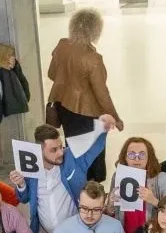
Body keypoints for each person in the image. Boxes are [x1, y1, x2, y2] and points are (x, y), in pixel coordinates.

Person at [8, 124, 112, 233]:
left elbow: (95, 147)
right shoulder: (29, 167)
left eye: (60, 146)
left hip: (76, 232)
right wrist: (20, 184)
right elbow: (24, 197)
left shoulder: (71, 158)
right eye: (53, 150)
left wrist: (104, 128)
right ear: (40, 151)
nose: (60, 153)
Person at [48, 6, 120, 182]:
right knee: (93, 154)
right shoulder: (94, 59)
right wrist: (116, 118)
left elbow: (51, 74)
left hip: (63, 106)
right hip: (88, 114)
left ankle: (73, 180)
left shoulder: (62, 45)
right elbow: (102, 94)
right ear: (96, 30)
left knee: (72, 146)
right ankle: (92, 189)